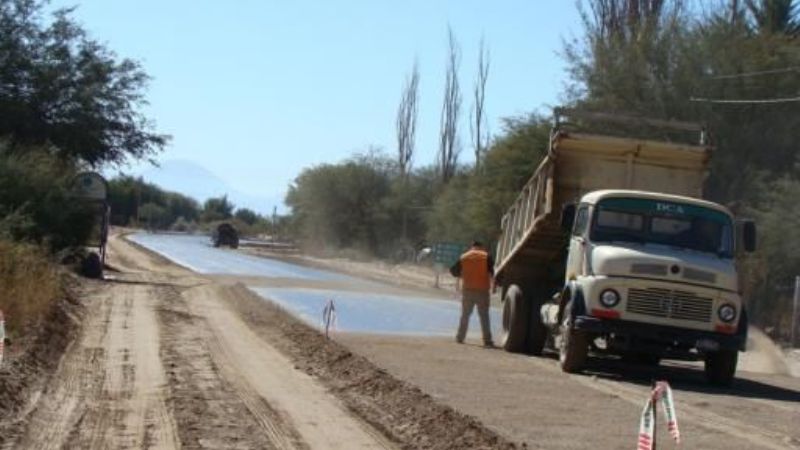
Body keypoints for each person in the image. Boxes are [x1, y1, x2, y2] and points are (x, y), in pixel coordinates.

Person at [450, 241, 495, 347]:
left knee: (465, 315)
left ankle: (460, 337)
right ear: (481, 247)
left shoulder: (464, 257)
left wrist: (463, 275)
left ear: (472, 247)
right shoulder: (486, 256)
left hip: (468, 290)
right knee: (484, 316)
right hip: (482, 291)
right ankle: (487, 340)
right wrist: (493, 287)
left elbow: (453, 271)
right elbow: (492, 273)